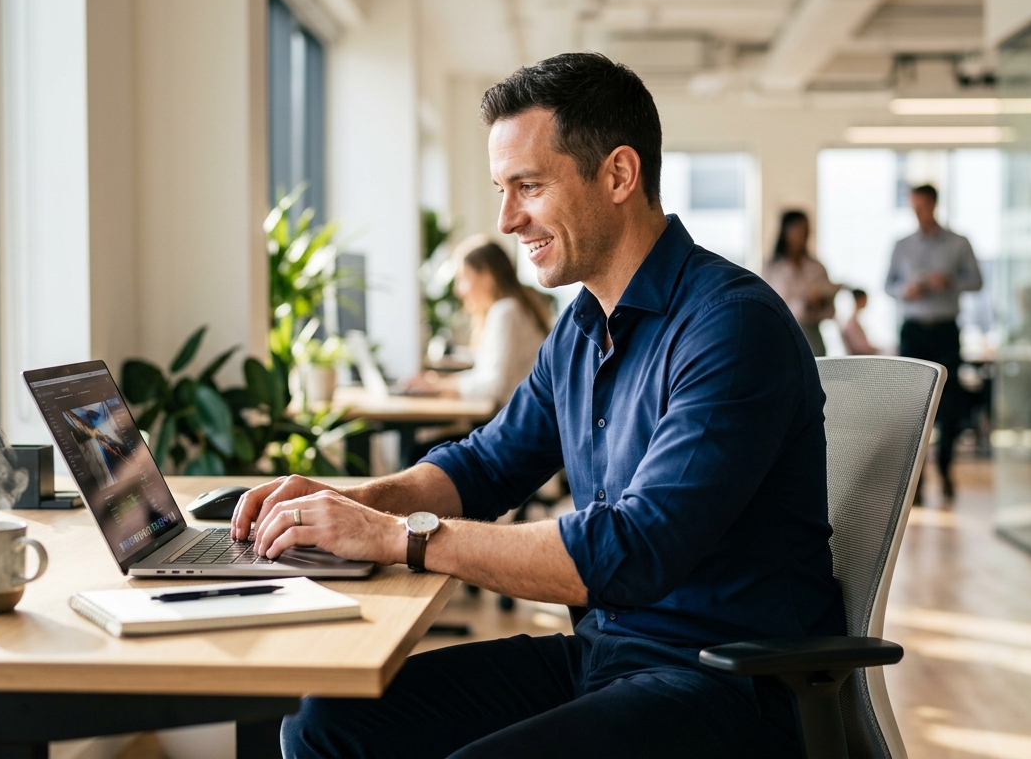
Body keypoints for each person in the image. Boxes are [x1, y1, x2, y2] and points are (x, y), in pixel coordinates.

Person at [231, 52, 845, 759]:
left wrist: (401, 537)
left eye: (528, 186)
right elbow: (486, 466)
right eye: (502, 189)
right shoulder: (581, 329)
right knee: (325, 724)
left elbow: (637, 550)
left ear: (618, 175)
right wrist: (352, 504)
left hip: (727, 686)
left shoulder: (730, 326)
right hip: (609, 655)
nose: (507, 219)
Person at [885, 184, 982, 502]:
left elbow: (977, 281)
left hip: (945, 332)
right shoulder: (902, 245)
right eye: (914, 207)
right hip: (914, 331)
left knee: (949, 405)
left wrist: (949, 281)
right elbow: (888, 285)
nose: (918, 212)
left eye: (922, 206)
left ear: (934, 204)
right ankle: (916, 480)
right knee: (914, 407)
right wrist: (906, 291)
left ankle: (945, 469)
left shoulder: (958, 243)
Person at [405, 236, 551, 405]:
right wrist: (440, 383)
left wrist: (438, 386)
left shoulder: (506, 311)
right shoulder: (513, 309)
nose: (458, 290)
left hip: (516, 417)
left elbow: (493, 387)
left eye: (463, 279)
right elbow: (485, 376)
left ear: (487, 277)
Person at [764, 210, 839, 355]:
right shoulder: (772, 269)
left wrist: (819, 303)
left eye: (805, 230)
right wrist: (803, 304)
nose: (801, 235)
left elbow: (830, 311)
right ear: (785, 232)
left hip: (812, 341)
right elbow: (768, 307)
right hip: (781, 339)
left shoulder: (817, 268)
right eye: (797, 229)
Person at [841, 289, 880, 355]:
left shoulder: (852, 321)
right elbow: (861, 348)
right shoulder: (852, 323)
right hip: (862, 357)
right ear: (860, 300)